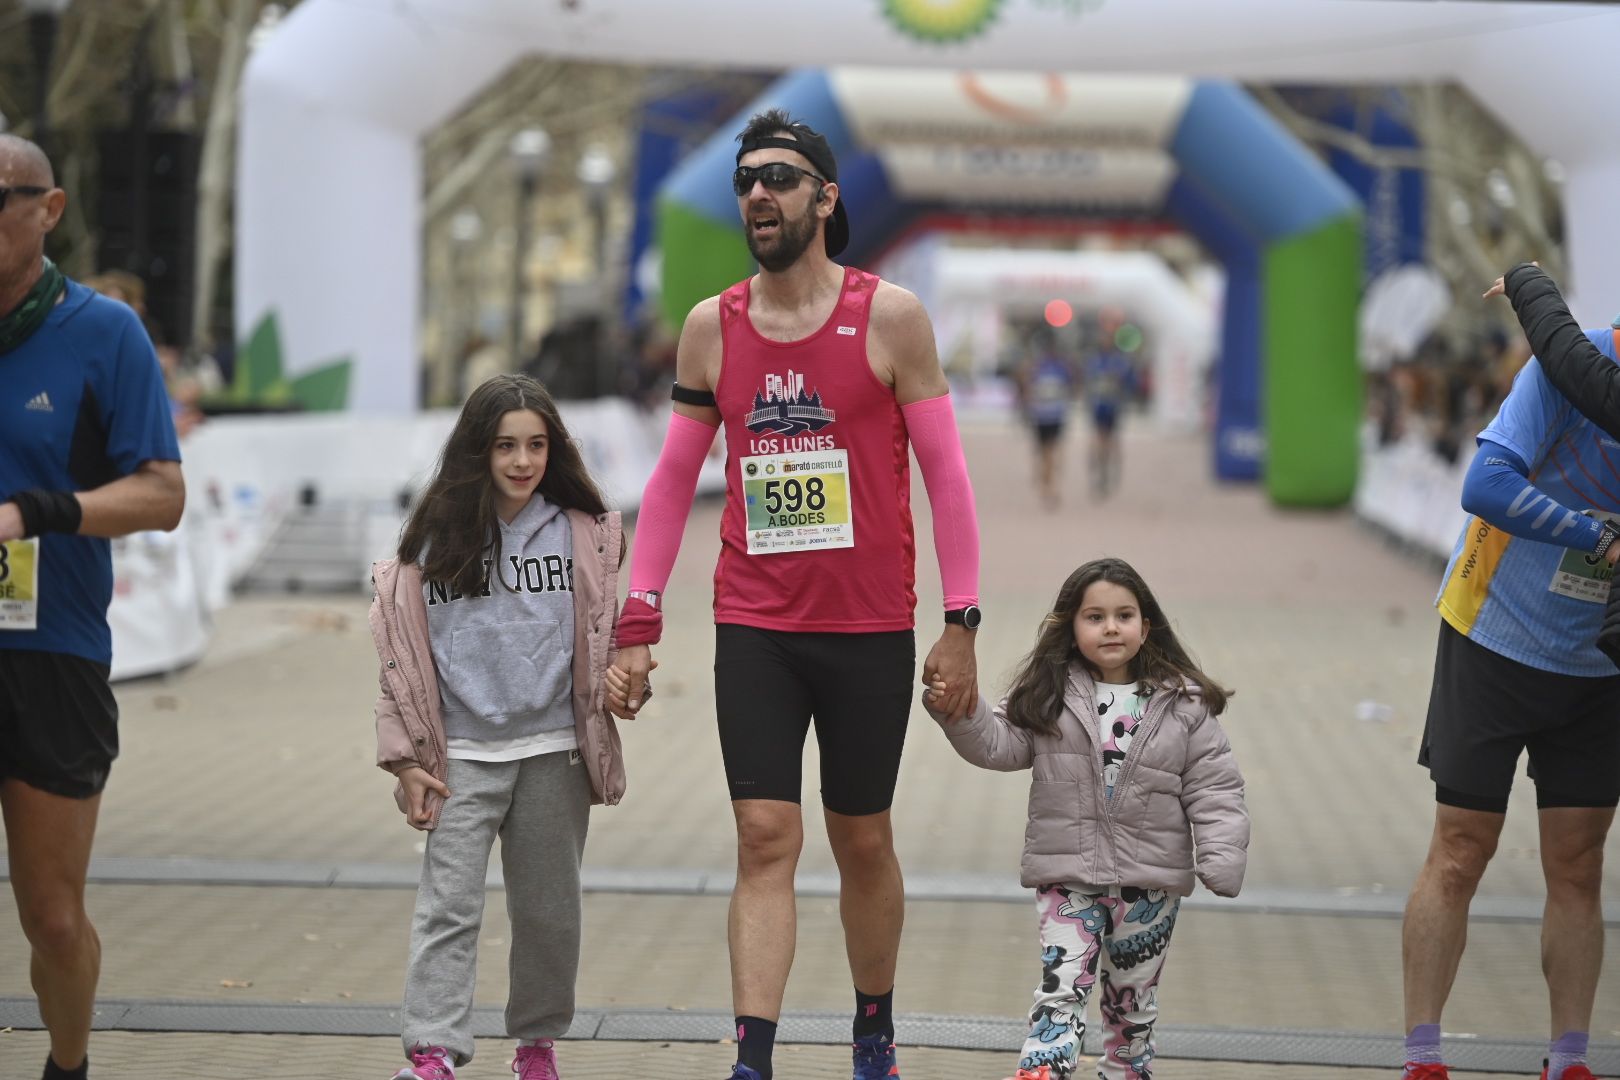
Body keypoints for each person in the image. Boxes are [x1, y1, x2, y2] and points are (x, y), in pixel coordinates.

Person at [604, 108, 982, 1080]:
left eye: (777, 177)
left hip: (867, 628)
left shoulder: (890, 317)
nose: (757, 195)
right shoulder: (711, 328)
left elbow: (946, 478)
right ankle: (753, 1058)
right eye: (746, 182)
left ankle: (872, 1028)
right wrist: (636, 620)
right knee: (764, 833)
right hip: (759, 625)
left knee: (862, 837)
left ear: (826, 195)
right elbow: (668, 484)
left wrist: (961, 624)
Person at [370, 374, 637, 1080]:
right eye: (505, 446)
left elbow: (608, 634)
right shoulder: (434, 539)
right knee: (447, 910)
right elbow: (400, 661)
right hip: (459, 756)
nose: (522, 461)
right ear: (476, 451)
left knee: (549, 914)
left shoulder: (586, 532)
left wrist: (623, 680)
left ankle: (537, 1047)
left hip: (556, 754)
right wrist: (404, 763)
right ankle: (433, 1051)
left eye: (537, 445)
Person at [1399, 268, 1620, 1080]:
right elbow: (1484, 485)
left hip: (1598, 663)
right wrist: (1598, 539)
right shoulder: (1569, 370)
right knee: (1462, 848)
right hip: (1493, 635)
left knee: (1578, 862)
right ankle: (1423, 1054)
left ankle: (1569, 1059)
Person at [0, 134, 185, 1080]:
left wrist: (38, 513)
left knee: (54, 916)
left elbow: (163, 494)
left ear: (50, 207)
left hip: (52, 651)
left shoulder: (100, 331)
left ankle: (67, 1066)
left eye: (0, 198)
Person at [924, 556, 1245, 1080]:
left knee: (1131, 1010)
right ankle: (1042, 1072)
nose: (1111, 627)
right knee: (1061, 991)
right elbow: (999, 744)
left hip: (1150, 887)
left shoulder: (1182, 704)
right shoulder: (1049, 697)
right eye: (1094, 616)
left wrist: (1221, 857)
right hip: (1067, 878)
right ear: (1071, 628)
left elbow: (1216, 788)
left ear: (1147, 626)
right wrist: (959, 709)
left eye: (1124, 615)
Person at [1018, 335, 1077, 508]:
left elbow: (1026, 386)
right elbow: (1072, 386)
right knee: (1047, 451)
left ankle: (1047, 484)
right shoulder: (1055, 366)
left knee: (1048, 451)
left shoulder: (1039, 366)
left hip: (1047, 414)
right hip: (1047, 414)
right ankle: (1047, 483)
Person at [1081, 326, 1135, 497]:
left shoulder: (1119, 361)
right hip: (1098, 406)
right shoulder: (1094, 361)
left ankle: (1109, 468)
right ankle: (1098, 466)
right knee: (1098, 439)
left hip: (1112, 406)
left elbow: (1129, 382)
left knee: (1111, 440)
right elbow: (1087, 383)